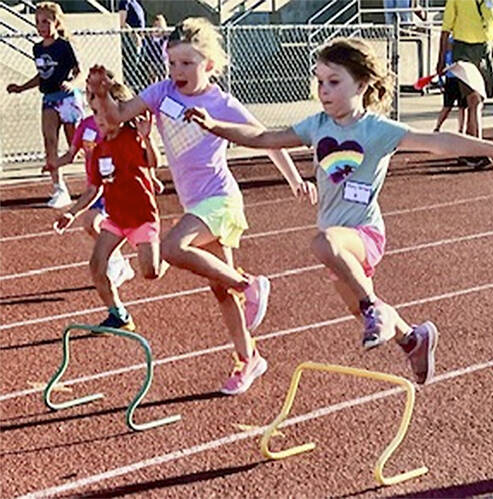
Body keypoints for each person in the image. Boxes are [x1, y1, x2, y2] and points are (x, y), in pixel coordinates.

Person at [184, 37, 493, 385]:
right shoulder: (317, 125)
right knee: (352, 302)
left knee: (325, 248)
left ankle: (373, 308)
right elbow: (263, 138)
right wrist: (214, 126)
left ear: (363, 83)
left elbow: (437, 141)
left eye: (334, 82)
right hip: (341, 251)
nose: (323, 90)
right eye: (320, 81)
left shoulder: (377, 130)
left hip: (363, 235)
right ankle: (413, 338)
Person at [86, 17, 317, 395]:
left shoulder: (221, 103)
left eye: (187, 64)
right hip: (194, 200)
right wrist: (103, 90)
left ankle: (251, 283)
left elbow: (265, 138)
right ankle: (249, 360)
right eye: (173, 63)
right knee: (220, 290)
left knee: (175, 249)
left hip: (220, 199)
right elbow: (116, 116)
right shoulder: (162, 92)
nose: (178, 71)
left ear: (208, 64)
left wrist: (295, 179)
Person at [55, 88, 168, 330]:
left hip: (141, 217)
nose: (99, 118)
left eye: (104, 111)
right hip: (116, 219)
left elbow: (153, 163)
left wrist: (147, 138)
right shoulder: (99, 150)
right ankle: (119, 314)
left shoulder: (133, 136)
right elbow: (93, 189)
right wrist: (72, 212)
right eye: (95, 112)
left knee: (151, 272)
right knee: (96, 265)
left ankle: (168, 251)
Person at [50, 77, 148, 288]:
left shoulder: (121, 128)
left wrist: (153, 178)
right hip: (97, 184)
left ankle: (118, 260)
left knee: (92, 222)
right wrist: (54, 164)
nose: (90, 97)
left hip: (114, 186)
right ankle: (118, 261)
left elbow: (140, 157)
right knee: (92, 225)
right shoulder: (85, 125)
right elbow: (71, 153)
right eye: (88, 93)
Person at [6, 1, 84, 208]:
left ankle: (97, 183)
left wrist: (72, 84)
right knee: (49, 140)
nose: (41, 27)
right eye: (37, 22)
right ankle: (59, 188)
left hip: (67, 99)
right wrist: (21, 87)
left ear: (56, 22)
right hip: (48, 98)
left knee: (76, 145)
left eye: (45, 22)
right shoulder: (37, 48)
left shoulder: (65, 46)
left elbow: (80, 71)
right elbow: (42, 75)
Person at [437, 0, 493, 166]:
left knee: (478, 101)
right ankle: (478, 149)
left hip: (486, 51)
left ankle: (467, 150)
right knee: (473, 100)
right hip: (463, 49)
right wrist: (441, 59)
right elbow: (445, 30)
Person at [434, 36, 466, 133]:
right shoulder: (447, 53)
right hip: (451, 79)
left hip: (461, 78)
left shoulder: (462, 45)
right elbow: (442, 67)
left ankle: (461, 129)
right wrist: (440, 80)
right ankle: (437, 127)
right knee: (447, 106)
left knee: (462, 106)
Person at [118, 0, 146, 92]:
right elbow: (121, 23)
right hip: (131, 41)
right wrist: (133, 34)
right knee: (130, 67)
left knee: (136, 66)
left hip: (139, 39)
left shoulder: (136, 2)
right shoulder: (124, 2)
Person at [139, 14, 169, 89]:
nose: (157, 29)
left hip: (162, 61)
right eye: (155, 26)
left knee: (163, 74)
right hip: (151, 61)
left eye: (160, 27)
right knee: (152, 76)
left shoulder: (165, 39)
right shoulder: (149, 39)